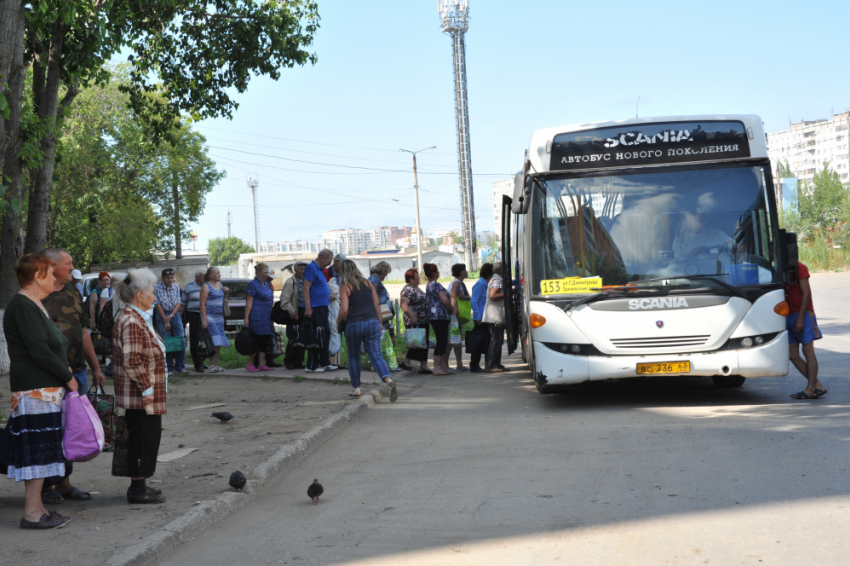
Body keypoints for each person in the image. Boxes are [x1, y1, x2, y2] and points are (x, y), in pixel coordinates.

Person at [4, 254, 78, 529]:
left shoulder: (35, 304)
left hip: (44, 390)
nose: (53, 278)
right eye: (49, 274)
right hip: (34, 391)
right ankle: (32, 513)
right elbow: (39, 350)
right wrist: (68, 376)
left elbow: (51, 345)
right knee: (36, 452)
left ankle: (38, 508)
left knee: (44, 451)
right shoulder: (23, 305)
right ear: (38, 276)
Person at [41, 247, 105, 504]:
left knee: (72, 428)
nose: (72, 267)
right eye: (68, 263)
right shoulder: (37, 295)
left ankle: (64, 483)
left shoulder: (73, 291)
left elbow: (84, 332)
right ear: (51, 265)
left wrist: (96, 367)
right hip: (48, 374)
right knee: (48, 428)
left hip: (76, 371)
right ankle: (46, 485)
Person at [112, 268, 167, 504]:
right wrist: (147, 389)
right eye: (152, 292)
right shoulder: (132, 320)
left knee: (145, 437)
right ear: (139, 295)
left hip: (142, 394)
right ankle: (137, 489)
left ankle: (141, 482)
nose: (154, 297)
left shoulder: (134, 316)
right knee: (142, 438)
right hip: (140, 395)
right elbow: (132, 360)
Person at [336, 260, 398, 401]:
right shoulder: (368, 283)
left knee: (353, 356)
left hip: (354, 324)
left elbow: (344, 310)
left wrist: (337, 322)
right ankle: (388, 380)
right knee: (376, 355)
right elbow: (376, 304)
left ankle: (356, 388)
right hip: (372, 323)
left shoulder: (346, 287)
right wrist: (380, 323)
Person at [786, 261, 827, 399]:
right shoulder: (779, 268)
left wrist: (800, 318)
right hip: (786, 315)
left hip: (802, 313)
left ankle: (810, 389)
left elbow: (806, 294)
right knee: (792, 355)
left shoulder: (800, 267)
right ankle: (817, 385)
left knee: (808, 351)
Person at [303, 249, 336, 373]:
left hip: (322, 306)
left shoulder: (319, 270)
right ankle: (312, 364)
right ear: (323, 258)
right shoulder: (311, 268)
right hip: (315, 307)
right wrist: (308, 308)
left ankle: (324, 361)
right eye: (329, 261)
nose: (329, 264)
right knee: (315, 335)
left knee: (325, 333)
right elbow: (306, 289)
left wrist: (328, 295)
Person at [153, 268, 187, 377]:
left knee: (180, 339)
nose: (170, 280)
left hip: (174, 314)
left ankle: (180, 367)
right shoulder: (156, 287)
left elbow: (178, 302)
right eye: (168, 278)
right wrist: (165, 318)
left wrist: (171, 316)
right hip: (161, 313)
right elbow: (157, 304)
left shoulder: (176, 286)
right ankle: (169, 368)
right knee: (166, 341)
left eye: (172, 277)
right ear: (163, 278)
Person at [398, 268, 431, 374]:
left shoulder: (417, 288)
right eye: (416, 275)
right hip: (415, 320)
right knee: (416, 343)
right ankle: (406, 362)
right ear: (411, 278)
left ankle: (423, 366)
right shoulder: (408, 289)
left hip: (423, 319)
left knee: (423, 343)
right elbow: (404, 305)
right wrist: (413, 317)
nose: (419, 277)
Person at [424, 262, 455, 376]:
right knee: (441, 341)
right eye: (437, 271)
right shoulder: (436, 285)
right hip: (440, 316)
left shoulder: (429, 285)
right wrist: (452, 309)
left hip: (433, 316)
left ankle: (443, 367)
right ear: (434, 273)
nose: (439, 273)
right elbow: (445, 300)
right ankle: (436, 368)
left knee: (441, 340)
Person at [244, 262, 276, 372]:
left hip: (266, 316)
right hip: (257, 315)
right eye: (264, 272)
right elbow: (248, 303)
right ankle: (250, 363)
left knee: (265, 340)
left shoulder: (266, 284)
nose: (266, 275)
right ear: (258, 273)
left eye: (267, 272)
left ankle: (262, 364)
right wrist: (246, 318)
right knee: (256, 340)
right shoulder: (253, 284)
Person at [200, 267, 230, 373]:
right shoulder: (206, 286)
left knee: (219, 340)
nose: (219, 275)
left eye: (219, 273)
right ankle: (211, 365)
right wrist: (204, 320)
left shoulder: (220, 285)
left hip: (219, 317)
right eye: (217, 273)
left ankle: (214, 364)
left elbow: (223, 300)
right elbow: (202, 304)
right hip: (210, 316)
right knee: (215, 339)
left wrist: (226, 293)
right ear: (211, 275)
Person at [281, 261, 307, 370]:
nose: (303, 271)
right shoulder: (290, 282)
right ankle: (289, 361)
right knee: (293, 338)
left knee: (302, 338)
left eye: (304, 269)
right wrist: (292, 311)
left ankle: (298, 362)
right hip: (295, 313)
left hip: (304, 312)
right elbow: (284, 300)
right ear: (295, 269)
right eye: (300, 269)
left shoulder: (306, 281)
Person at [483, 263, 507, 373]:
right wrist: (506, 294)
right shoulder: (497, 280)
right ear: (501, 270)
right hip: (495, 316)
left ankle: (496, 363)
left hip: (496, 316)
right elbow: (492, 295)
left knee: (498, 341)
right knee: (495, 341)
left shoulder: (496, 279)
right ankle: (491, 365)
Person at [469, 263, 494, 373]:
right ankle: (474, 365)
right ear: (489, 274)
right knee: (478, 342)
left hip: (485, 317)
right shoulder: (480, 284)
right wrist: (478, 316)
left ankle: (483, 364)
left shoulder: (485, 284)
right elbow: (473, 301)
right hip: (480, 319)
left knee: (485, 341)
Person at [182, 270, 207, 373]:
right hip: (194, 315)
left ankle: (203, 361)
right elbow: (183, 302)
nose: (204, 280)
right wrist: (180, 318)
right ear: (197, 278)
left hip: (205, 315)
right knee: (195, 339)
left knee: (205, 339)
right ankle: (197, 363)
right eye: (202, 278)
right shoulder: (189, 287)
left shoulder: (207, 286)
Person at [448, 263, 471, 372]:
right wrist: (455, 311)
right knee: (452, 340)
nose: (466, 271)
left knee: (456, 340)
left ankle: (459, 364)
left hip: (454, 315)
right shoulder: (457, 283)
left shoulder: (459, 283)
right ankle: (446, 364)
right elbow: (453, 296)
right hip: (454, 315)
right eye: (464, 269)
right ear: (461, 272)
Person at [369, 261, 395, 337]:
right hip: (380, 314)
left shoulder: (374, 279)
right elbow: (372, 298)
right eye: (386, 273)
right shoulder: (375, 280)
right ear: (383, 271)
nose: (386, 275)